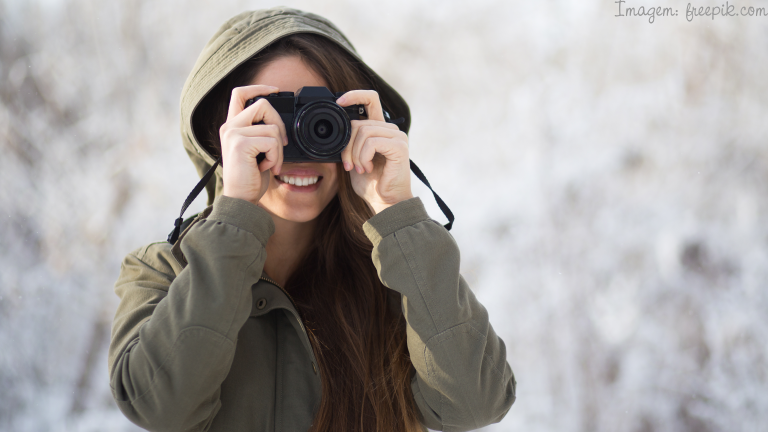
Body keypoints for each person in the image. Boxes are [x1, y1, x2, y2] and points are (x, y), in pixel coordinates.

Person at [108, 7, 515, 432]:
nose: (301, 144)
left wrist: (398, 214)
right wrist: (236, 206)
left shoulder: (398, 275)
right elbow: (159, 408)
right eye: (274, 118)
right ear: (222, 134)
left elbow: (475, 405)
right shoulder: (162, 271)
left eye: (324, 121)